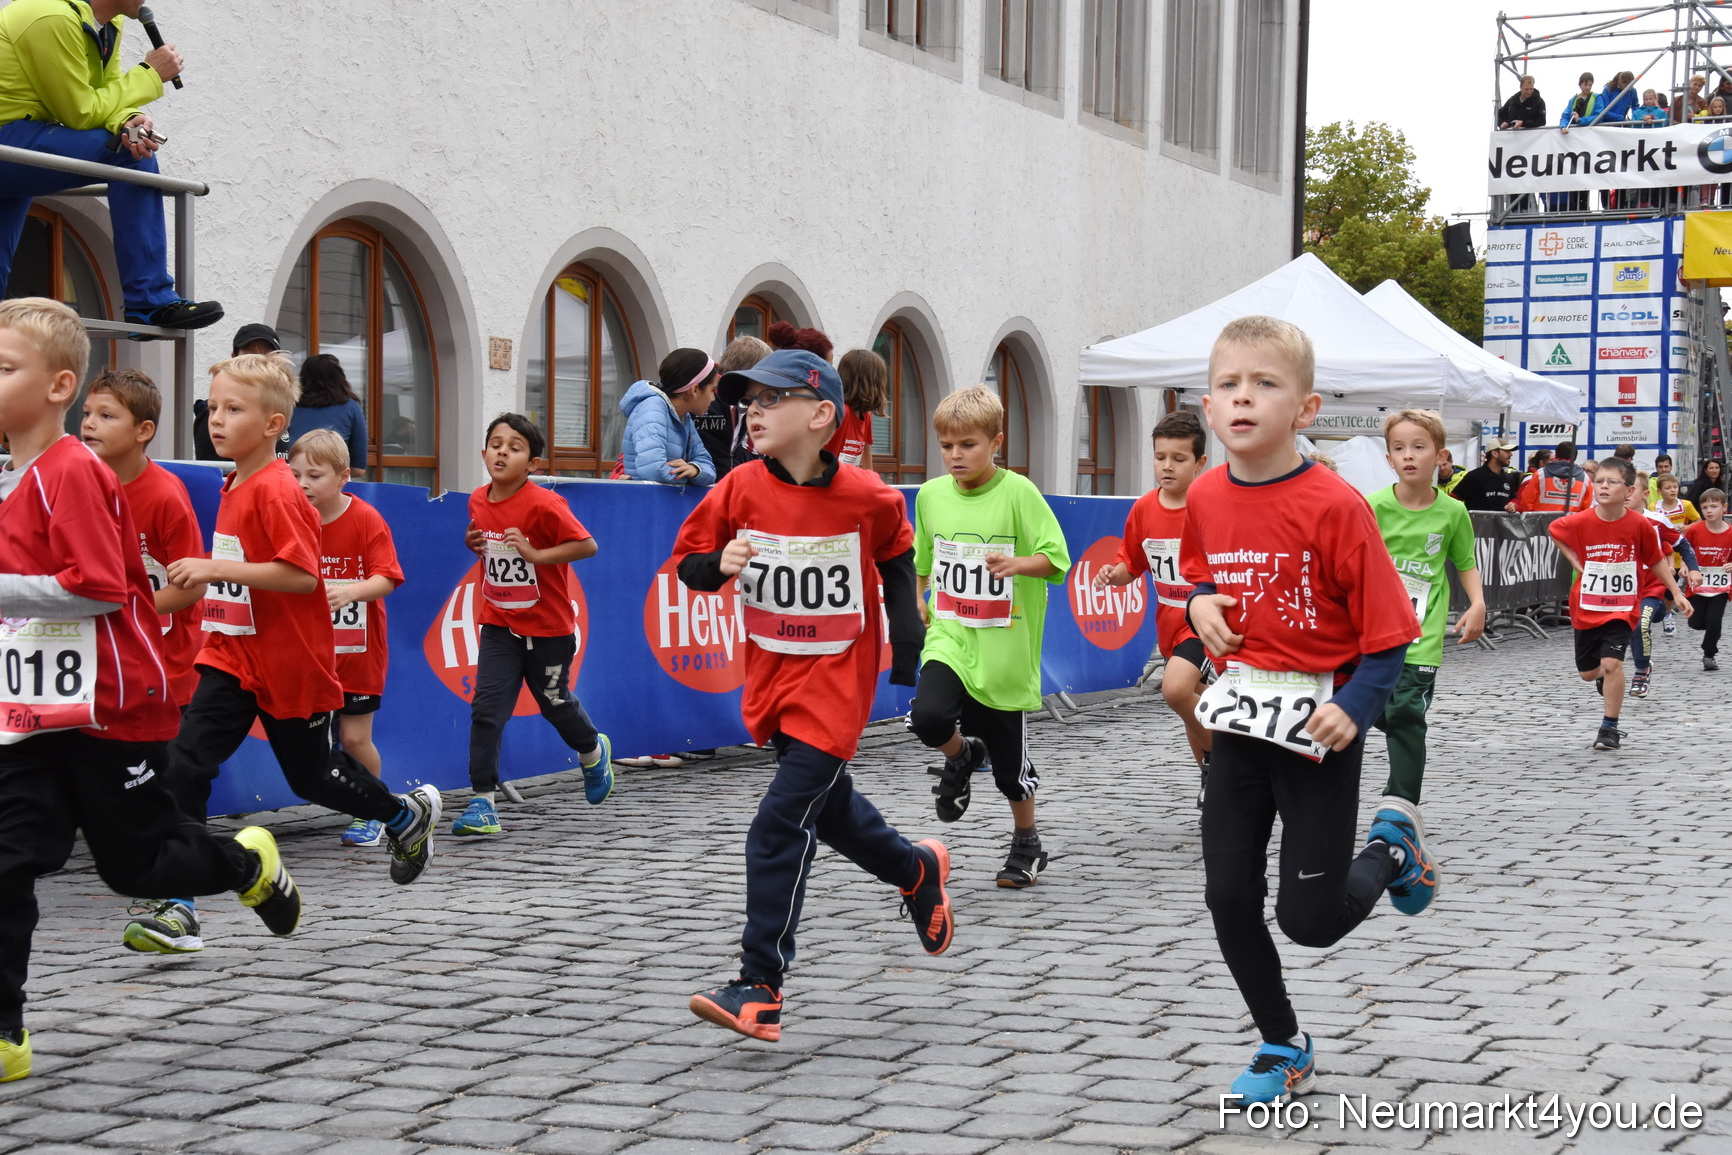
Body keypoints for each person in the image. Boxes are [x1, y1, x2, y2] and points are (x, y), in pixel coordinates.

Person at [0, 300, 296, 1081]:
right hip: (30, 712)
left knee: (133, 868)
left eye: (5, 367)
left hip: (114, 705)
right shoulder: (11, 474)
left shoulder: (73, 469)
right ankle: (6, 1035)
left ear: (58, 385)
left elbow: (95, 586)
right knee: (8, 860)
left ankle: (242, 864)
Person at [1182, 316, 1427, 1106]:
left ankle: (1392, 851)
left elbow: (1390, 635)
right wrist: (1197, 605)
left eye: (1265, 383)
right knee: (1226, 894)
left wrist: (1355, 708)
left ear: (1306, 408)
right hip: (1243, 725)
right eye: (1228, 384)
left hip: (1323, 728)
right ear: (1208, 407)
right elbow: (1197, 576)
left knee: (1312, 921)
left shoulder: (1336, 505)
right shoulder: (1208, 494)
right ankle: (1283, 1041)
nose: (1243, 397)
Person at [672, 349, 949, 1043]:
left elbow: (895, 562)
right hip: (772, 683)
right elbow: (688, 563)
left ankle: (759, 984)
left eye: (771, 399)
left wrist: (908, 648)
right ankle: (916, 869)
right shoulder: (737, 489)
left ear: (822, 414)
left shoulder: (869, 496)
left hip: (835, 687)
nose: (753, 410)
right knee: (831, 812)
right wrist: (718, 564)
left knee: (778, 823)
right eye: (748, 400)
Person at [122, 352, 440, 954]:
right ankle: (179, 904)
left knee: (313, 777)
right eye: (213, 407)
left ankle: (403, 817)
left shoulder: (277, 490)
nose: (216, 420)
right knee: (185, 765)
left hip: (291, 663)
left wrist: (216, 566)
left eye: (233, 409)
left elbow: (300, 577)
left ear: (273, 425)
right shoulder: (237, 480)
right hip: (230, 655)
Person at [908, 384, 1068, 888]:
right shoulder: (932, 495)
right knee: (928, 717)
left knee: (1009, 771)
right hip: (951, 635)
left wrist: (1017, 563)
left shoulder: (1018, 492)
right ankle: (961, 753)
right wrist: (918, 596)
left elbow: (1057, 558)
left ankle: (1027, 842)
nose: (956, 455)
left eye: (968, 445)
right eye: (947, 446)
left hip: (1003, 647)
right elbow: (923, 558)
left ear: (995, 442)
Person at [0, 2, 222, 333]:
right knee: (128, 154)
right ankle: (149, 300)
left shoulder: (108, 23)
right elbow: (79, 111)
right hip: (11, 140)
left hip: (19, 142)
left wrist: (127, 120)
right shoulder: (50, 16)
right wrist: (149, 73)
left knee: (130, 142)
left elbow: (104, 96)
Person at [459, 414, 613, 836]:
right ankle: (482, 802)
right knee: (487, 709)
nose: (502, 451)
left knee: (554, 702)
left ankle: (591, 750)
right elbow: (489, 547)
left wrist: (535, 554)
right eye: (495, 443)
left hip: (548, 628)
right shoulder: (477, 499)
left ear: (533, 463)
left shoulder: (545, 503)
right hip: (499, 622)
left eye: (514, 446)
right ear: (484, 452)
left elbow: (587, 544)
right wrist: (474, 544)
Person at [287, 429, 403, 848]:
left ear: (342, 477)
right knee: (312, 745)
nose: (302, 484)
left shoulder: (366, 519)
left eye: (314, 475)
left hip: (357, 652)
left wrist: (351, 590)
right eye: (294, 473)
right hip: (307, 653)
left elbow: (388, 576)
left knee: (353, 738)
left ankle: (374, 807)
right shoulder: (290, 517)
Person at [1094, 410, 1213, 806]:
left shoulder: (1210, 505)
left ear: (1199, 463)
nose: (1167, 466)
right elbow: (1133, 563)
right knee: (1196, 705)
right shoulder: (1144, 508)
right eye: (1160, 457)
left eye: (1178, 459)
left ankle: (1226, 764)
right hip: (1168, 621)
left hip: (1205, 621)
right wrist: (1113, 574)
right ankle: (1212, 783)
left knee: (1176, 690)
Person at [1369, 410, 1486, 808]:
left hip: (1422, 636)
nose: (1409, 455)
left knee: (1404, 713)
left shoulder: (1453, 512)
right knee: (1378, 709)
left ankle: (1400, 805)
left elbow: (1464, 563)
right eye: (1399, 448)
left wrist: (1478, 603)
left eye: (1419, 447)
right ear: (1388, 459)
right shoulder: (1373, 508)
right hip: (1375, 633)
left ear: (1439, 455)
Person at [77, 368, 203, 711]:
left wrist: (126, 610)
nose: (89, 423)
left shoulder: (166, 496)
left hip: (163, 667)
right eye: (87, 413)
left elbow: (192, 587)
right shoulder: (77, 486)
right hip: (98, 666)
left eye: (106, 416)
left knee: (166, 764)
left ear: (143, 430)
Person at [1547, 458, 1689, 751]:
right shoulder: (1581, 520)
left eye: (1612, 482)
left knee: (1613, 663)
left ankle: (1609, 728)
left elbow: (1656, 561)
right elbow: (1554, 530)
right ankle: (1609, 678)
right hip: (1586, 607)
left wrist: (1676, 593)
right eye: (1599, 481)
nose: (1603, 487)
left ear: (1629, 491)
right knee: (1589, 672)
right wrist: (1572, 558)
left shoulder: (1640, 525)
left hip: (1622, 608)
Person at [1627, 476, 1699, 698]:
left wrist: (1693, 568)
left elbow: (1681, 544)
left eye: (1632, 489)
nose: (1627, 494)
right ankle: (1605, 668)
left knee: (1641, 622)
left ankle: (1641, 669)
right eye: (1624, 489)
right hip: (1623, 587)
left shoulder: (1657, 521)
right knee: (1622, 628)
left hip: (1652, 584)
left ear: (1646, 494)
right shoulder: (1609, 519)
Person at [617, 349, 717, 486]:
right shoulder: (652, 409)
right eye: (712, 390)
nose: (713, 398)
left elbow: (709, 468)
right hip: (643, 503)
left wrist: (695, 469)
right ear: (694, 390)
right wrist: (688, 479)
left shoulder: (683, 416)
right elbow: (653, 470)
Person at [693, 336, 770, 482]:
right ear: (750, 372)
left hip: (721, 486)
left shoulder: (744, 402)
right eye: (763, 375)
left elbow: (732, 452)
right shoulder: (705, 398)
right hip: (697, 487)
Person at [196, 324, 278, 460]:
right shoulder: (209, 417)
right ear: (234, 357)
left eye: (267, 355)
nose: (257, 361)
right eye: (249, 354)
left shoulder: (286, 406)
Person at [283, 354, 367, 473]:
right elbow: (359, 468)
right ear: (339, 376)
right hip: (334, 482)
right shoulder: (351, 407)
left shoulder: (290, 405)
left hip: (291, 477)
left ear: (303, 377)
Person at [1684, 488, 1730, 670]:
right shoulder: (1694, 530)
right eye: (1704, 507)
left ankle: (1709, 654)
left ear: (1724, 508)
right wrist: (1687, 567)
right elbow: (1685, 551)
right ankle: (1705, 629)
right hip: (1697, 584)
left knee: (1714, 620)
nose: (1709, 511)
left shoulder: (1731, 532)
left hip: (1720, 587)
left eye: (1714, 506)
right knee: (1696, 622)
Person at [827, 348, 886, 468]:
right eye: (879, 379)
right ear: (868, 381)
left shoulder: (865, 415)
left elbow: (866, 456)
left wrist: (871, 484)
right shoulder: (841, 412)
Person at [1515, 440, 1591, 512]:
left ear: (1556, 455)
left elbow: (1526, 502)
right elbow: (1585, 508)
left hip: (1541, 524)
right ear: (1574, 457)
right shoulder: (1585, 478)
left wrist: (1535, 520)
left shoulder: (1540, 474)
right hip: (1570, 524)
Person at [1450, 438, 1523, 512]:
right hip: (1477, 523)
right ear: (1495, 453)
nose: (1511, 454)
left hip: (1501, 523)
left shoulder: (1509, 478)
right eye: (1507, 451)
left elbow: (1514, 499)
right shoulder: (1475, 476)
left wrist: (1513, 504)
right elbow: (1453, 499)